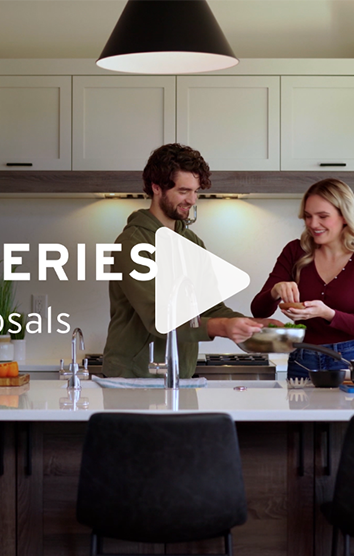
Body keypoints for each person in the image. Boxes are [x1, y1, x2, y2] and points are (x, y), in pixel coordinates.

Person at [103, 143, 268, 379]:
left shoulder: (191, 242)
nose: (192, 200)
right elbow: (159, 319)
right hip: (133, 376)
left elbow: (211, 307)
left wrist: (254, 325)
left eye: (196, 191)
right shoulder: (132, 243)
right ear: (156, 187)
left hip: (180, 374)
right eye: (183, 191)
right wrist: (222, 327)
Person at [251, 179, 354, 379]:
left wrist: (328, 314)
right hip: (302, 359)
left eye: (322, 216)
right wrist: (275, 290)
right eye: (308, 216)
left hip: (351, 362)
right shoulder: (294, 251)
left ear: (344, 216)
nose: (313, 224)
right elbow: (258, 310)